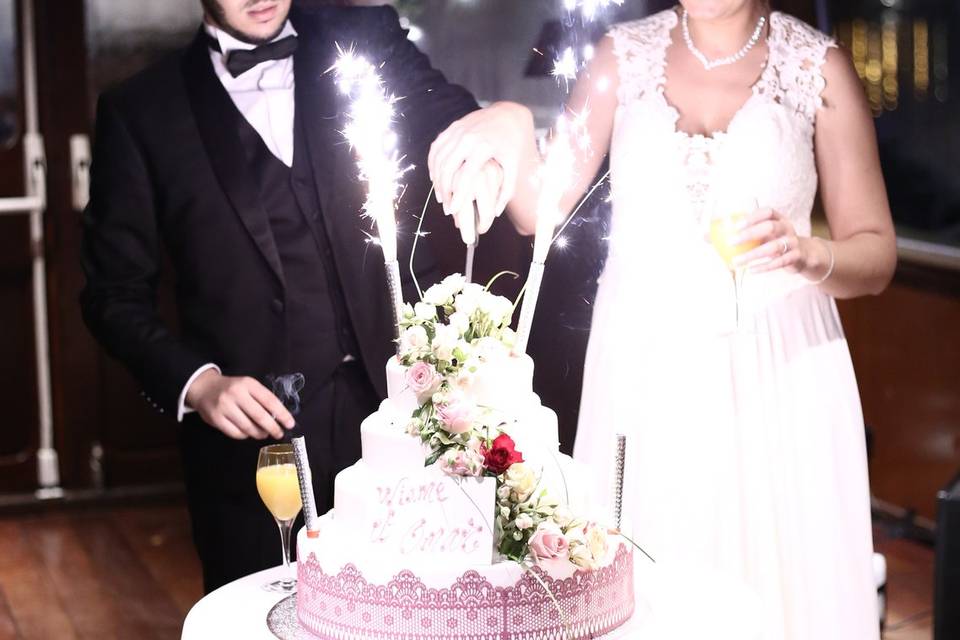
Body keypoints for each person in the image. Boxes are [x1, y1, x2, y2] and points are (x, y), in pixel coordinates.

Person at [429, 1, 897, 637]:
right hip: (643, 366)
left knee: (781, 581)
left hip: (778, 366)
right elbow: (539, 208)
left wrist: (813, 254)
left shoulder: (818, 67)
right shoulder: (620, 58)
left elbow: (876, 251)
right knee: (647, 575)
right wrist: (510, 124)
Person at [80, 0, 514, 592]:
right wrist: (199, 384)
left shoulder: (361, 40)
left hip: (397, 419)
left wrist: (499, 127)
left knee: (416, 609)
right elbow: (112, 295)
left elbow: (452, 114)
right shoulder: (140, 112)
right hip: (256, 452)